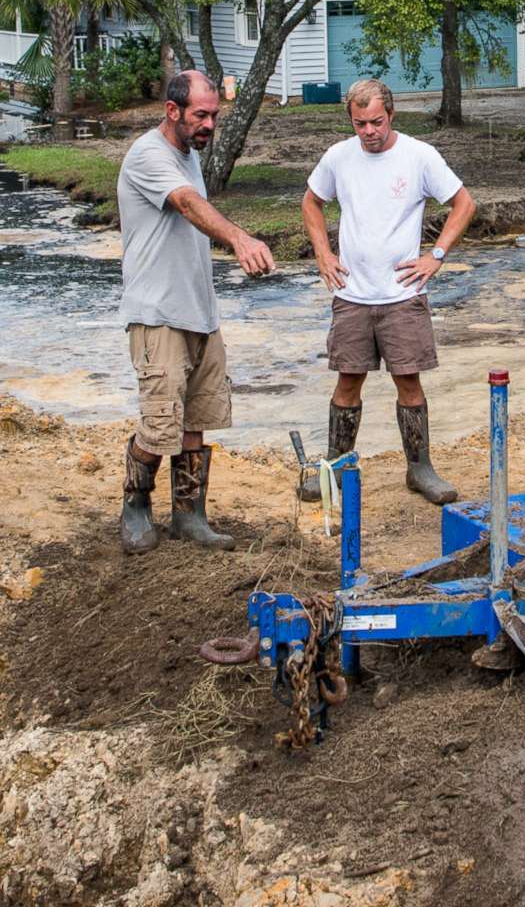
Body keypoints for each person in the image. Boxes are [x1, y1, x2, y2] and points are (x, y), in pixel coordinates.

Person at [115, 70, 277, 555]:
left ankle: (189, 516)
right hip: (157, 312)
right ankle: (135, 505)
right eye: (200, 116)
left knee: (195, 420)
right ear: (172, 111)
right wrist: (240, 238)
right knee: (159, 423)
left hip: (200, 311)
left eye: (214, 116)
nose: (209, 124)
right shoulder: (149, 155)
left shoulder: (188, 155)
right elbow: (186, 205)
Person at [299, 78, 477, 506]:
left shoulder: (419, 156)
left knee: (409, 381)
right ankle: (336, 468)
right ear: (351, 121)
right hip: (352, 293)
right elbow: (310, 202)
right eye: (360, 124)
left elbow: (464, 203)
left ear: (391, 115)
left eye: (376, 122)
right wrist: (323, 254)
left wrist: (435, 255)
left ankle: (420, 469)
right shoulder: (338, 158)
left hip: (402, 294)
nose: (369, 132)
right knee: (348, 381)